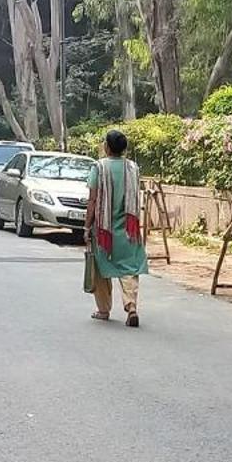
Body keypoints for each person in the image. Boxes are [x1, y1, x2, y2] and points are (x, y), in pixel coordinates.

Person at [86, 129, 148, 327]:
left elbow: (92, 200)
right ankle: (131, 307)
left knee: (101, 269)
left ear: (107, 147)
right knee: (129, 269)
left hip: (104, 230)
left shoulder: (99, 167)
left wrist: (87, 227)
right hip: (128, 230)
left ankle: (103, 310)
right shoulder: (133, 168)